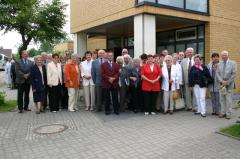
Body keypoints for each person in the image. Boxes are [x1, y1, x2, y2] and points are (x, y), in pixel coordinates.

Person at [216, 50, 237, 119]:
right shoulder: (219, 64)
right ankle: (223, 113)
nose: (223, 56)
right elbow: (217, 74)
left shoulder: (233, 63)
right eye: (222, 55)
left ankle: (228, 113)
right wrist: (221, 81)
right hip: (221, 85)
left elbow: (234, 74)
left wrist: (227, 82)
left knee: (228, 100)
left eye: (225, 55)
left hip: (229, 84)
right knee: (222, 100)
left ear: (228, 55)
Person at [101, 51, 120, 115]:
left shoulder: (116, 64)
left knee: (115, 98)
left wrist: (113, 78)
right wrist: (109, 78)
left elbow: (118, 73)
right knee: (107, 98)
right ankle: (107, 110)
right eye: (108, 56)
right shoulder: (103, 64)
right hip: (106, 83)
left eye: (111, 56)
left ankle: (116, 110)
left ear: (113, 56)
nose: (110, 57)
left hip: (114, 83)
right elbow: (102, 74)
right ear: (107, 57)